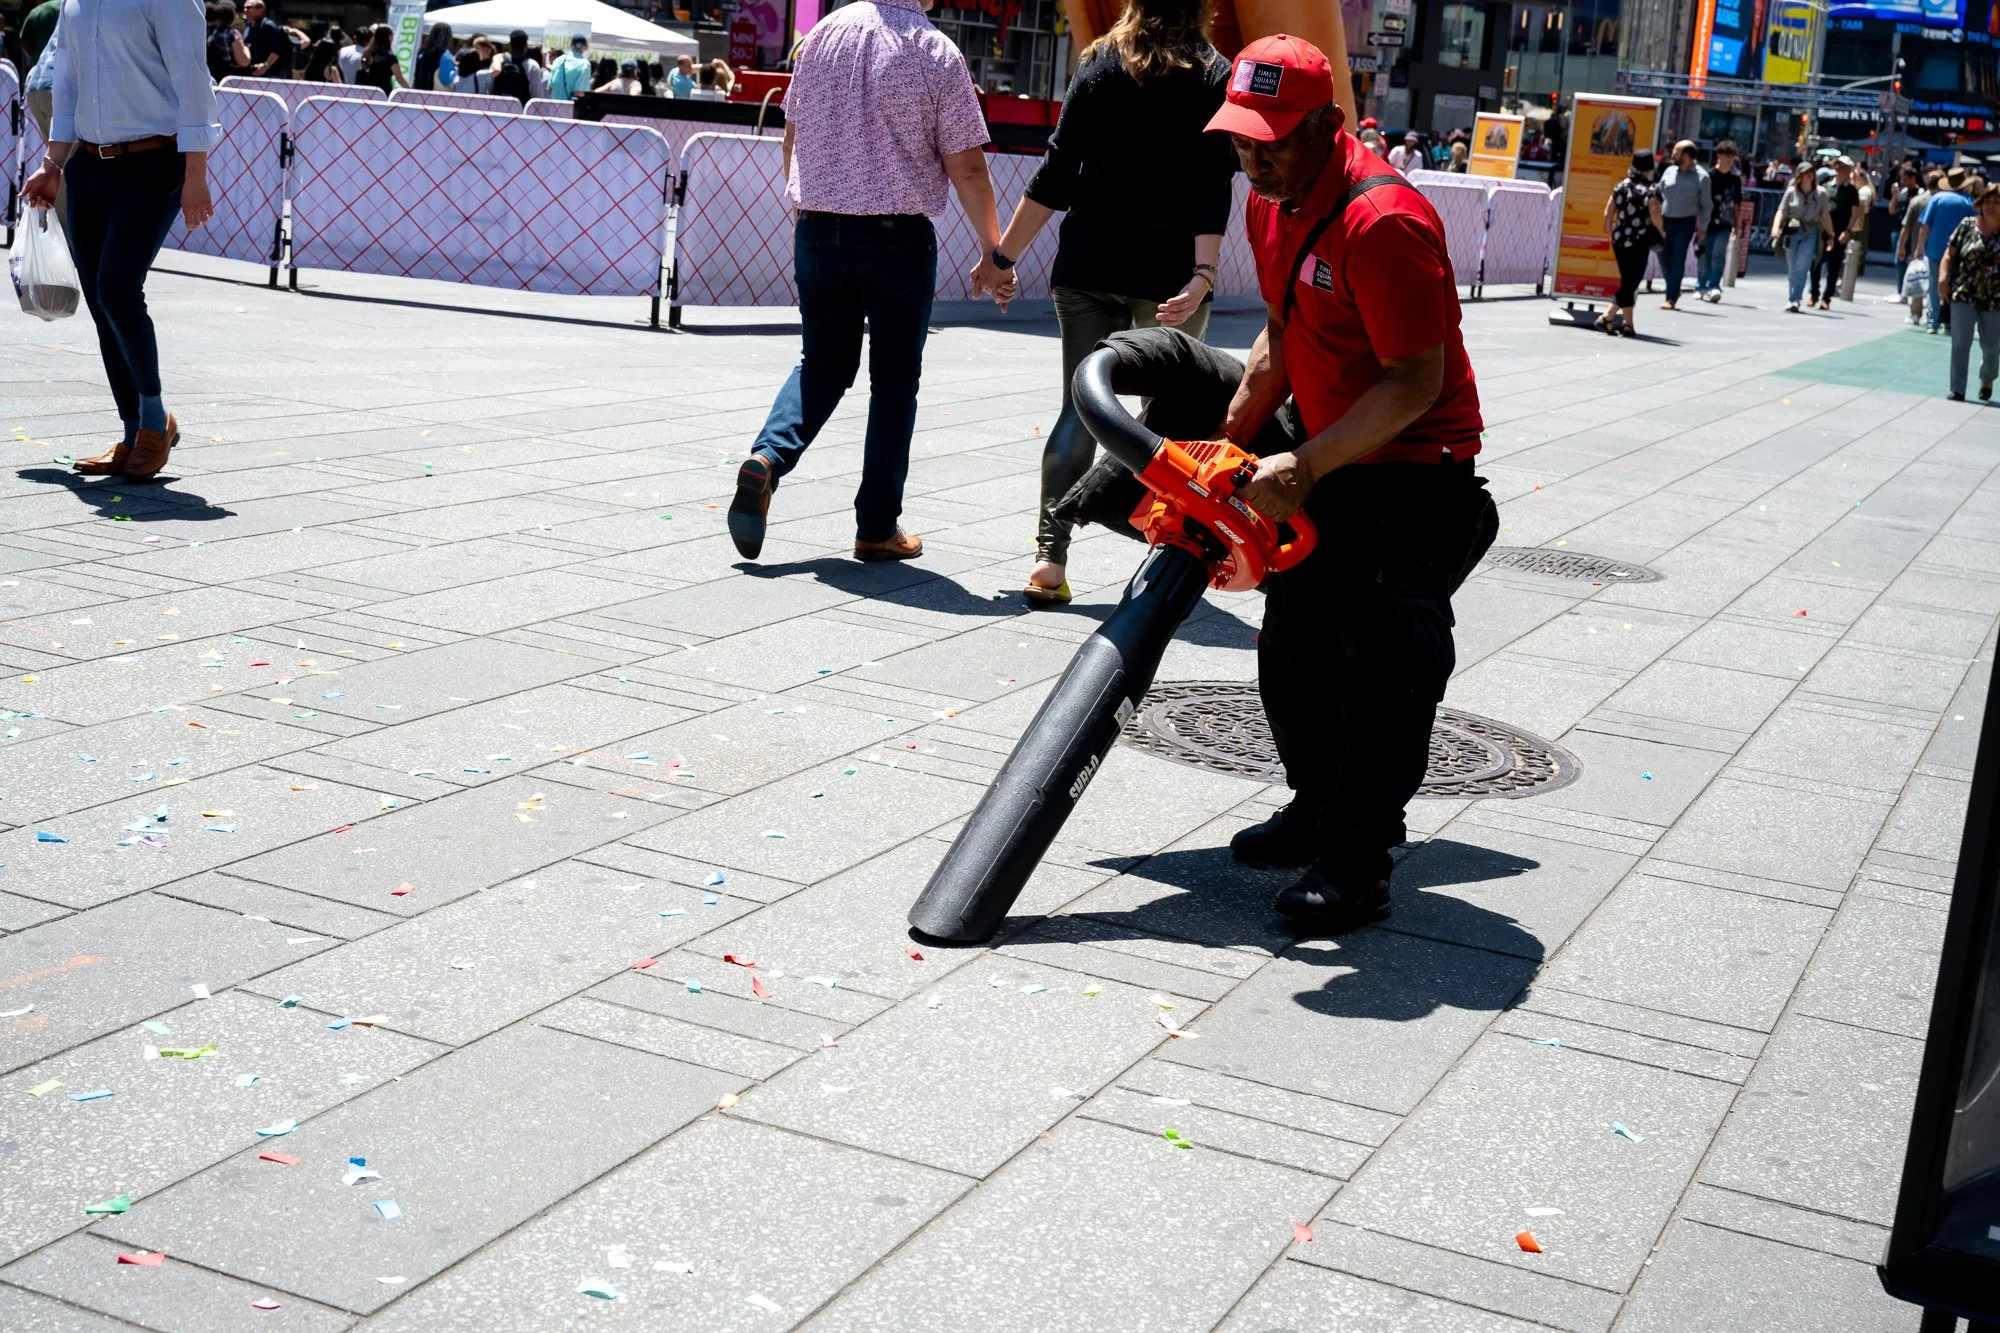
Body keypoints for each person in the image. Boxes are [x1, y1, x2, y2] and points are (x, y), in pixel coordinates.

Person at [1061, 34, 1492, 932]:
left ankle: (1359, 860)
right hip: (1329, 447)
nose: (1253, 156)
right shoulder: (1272, 199)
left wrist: (1305, 463)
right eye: (1242, 140)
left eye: (1274, 139)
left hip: (1412, 468)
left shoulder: (1386, 224)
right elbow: (1281, 339)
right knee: (1292, 649)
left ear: (1330, 125)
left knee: (1384, 665)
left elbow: (1413, 381)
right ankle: (1311, 806)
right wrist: (1223, 452)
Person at [967, 0, 1234, 605]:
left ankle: (1048, 557)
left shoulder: (1099, 64)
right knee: (1183, 425)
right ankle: (1170, 563)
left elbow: (1055, 175)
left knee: (1077, 409)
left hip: (1087, 266)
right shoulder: (1215, 76)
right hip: (1169, 278)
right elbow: (1210, 187)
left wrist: (1001, 259)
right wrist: (1203, 274)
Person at [728, 0, 1003, 565]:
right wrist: (993, 251)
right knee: (894, 383)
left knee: (823, 362)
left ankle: (768, 458)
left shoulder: (822, 34)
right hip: (895, 237)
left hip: (819, 227)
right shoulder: (934, 51)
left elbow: (791, 140)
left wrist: (807, 213)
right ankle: (876, 526)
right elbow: (968, 166)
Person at [23, 0, 220, 481]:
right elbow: (67, 82)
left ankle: (155, 421)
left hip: (155, 162)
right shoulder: (76, 2)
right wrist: (53, 165)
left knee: (117, 288)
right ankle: (133, 432)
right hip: (90, 165)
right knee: (99, 298)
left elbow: (193, 80)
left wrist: (197, 172)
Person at [1939, 186, 2000, 402]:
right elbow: (1950, 253)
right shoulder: (1967, 225)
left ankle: (1987, 378)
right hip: (1965, 292)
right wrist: (1943, 278)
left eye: (1997, 202)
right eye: (1988, 202)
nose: (1991, 206)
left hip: (1996, 297)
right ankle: (1958, 388)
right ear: (1980, 205)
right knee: (1960, 342)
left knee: (1992, 346)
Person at [1600, 149, 1660, 336]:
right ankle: (1606, 317)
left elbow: (1607, 213)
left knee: (1627, 280)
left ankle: (1628, 325)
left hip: (1619, 240)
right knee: (1631, 283)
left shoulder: (1621, 186)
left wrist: (1612, 232)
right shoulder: (1651, 189)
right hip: (1639, 240)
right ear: (1650, 167)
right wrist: (1663, 233)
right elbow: (1655, 214)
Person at [1918, 167, 1978, 334]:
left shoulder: (1937, 199)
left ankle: (1933, 321)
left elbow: (1925, 225)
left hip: (1936, 249)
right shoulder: (1969, 202)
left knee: (1934, 286)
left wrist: (1919, 247)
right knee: (1955, 288)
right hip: (1960, 252)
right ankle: (1950, 322)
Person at [1653, 139, 1708, 311]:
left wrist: (1702, 228)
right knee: (1662, 257)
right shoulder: (1669, 171)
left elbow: (1706, 205)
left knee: (1677, 259)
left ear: (1686, 155)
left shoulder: (1702, 177)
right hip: (1664, 221)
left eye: (1676, 151)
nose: (1672, 154)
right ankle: (1674, 288)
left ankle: (1670, 298)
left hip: (1685, 223)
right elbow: (1658, 192)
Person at [1771, 162, 1831, 313]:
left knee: (1802, 267)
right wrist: (1775, 228)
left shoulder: (1821, 193)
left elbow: (1825, 215)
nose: (1808, 175)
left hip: (1809, 232)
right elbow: (1781, 211)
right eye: (1805, 172)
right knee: (1792, 268)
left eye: (1811, 172)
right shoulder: (1791, 192)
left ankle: (1795, 299)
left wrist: (1831, 234)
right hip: (1792, 232)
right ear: (1799, 175)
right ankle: (1791, 297)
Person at [1695, 139, 1741, 301]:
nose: (1729, 160)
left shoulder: (1735, 180)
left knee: (1719, 254)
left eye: (1732, 156)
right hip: (1707, 222)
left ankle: (1714, 285)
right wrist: (1698, 223)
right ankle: (1701, 285)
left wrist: (1738, 226)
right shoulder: (1708, 176)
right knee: (1704, 256)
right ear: (1718, 156)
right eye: (1726, 155)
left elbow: (1737, 204)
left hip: (1725, 223)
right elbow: (1699, 202)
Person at [1814, 157, 1861, 310]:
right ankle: (1814, 292)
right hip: (1823, 231)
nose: (1839, 168)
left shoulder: (1852, 191)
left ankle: (1826, 297)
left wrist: (1847, 231)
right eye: (1838, 165)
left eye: (1843, 166)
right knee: (1816, 262)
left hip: (1840, 231)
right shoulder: (1826, 186)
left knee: (1834, 266)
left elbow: (1855, 213)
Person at [1889, 163, 1922, 291]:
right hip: (1898, 230)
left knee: (1910, 262)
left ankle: (1907, 290)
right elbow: (1892, 210)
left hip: (1913, 232)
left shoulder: (1920, 194)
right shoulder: (1902, 193)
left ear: (1912, 178)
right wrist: (1894, 196)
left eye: (1904, 178)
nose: (1902, 181)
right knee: (1899, 261)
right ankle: (1900, 290)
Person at [354, 24, 406, 91]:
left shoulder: (367, 54)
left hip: (369, 93)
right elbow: (400, 80)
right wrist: (412, 93)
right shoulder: (390, 58)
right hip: (383, 94)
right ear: (389, 37)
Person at [206, 2, 249, 81]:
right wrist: (245, 47)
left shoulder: (207, 32)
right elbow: (244, 61)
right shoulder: (232, 34)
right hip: (229, 81)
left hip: (211, 79)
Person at [241, 0, 285, 76]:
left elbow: (277, 50)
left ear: (260, 9)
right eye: (244, 8)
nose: (245, 10)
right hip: (251, 72)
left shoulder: (268, 26)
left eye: (249, 8)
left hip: (268, 74)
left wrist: (265, 66)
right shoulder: (248, 28)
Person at [501, 29, 546, 99]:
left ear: (510, 44)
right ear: (526, 46)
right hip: (522, 108)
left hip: (500, 108)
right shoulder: (532, 66)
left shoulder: (499, 62)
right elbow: (537, 96)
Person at [413, 23, 457, 90]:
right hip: (435, 96)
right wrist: (455, 71)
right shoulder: (445, 55)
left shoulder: (422, 51)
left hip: (419, 93)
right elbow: (446, 80)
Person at [548, 31, 592, 98]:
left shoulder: (558, 60)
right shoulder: (585, 64)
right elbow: (580, 92)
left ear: (571, 45)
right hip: (571, 107)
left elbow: (549, 89)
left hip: (554, 106)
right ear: (585, 47)